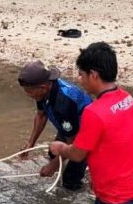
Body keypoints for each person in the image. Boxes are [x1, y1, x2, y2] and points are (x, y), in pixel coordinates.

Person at [49, 42, 133, 204]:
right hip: (129, 185)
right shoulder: (126, 98)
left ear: (94, 75)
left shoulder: (93, 112)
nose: (80, 80)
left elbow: (77, 154)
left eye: (82, 75)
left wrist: (60, 148)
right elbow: (130, 140)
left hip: (118, 197)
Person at [18, 60, 92, 190]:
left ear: (43, 87)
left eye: (29, 92)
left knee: (70, 181)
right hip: (68, 127)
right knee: (53, 154)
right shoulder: (43, 92)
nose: (28, 95)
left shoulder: (64, 103)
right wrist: (31, 144)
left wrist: (51, 167)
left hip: (86, 133)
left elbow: (72, 143)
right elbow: (41, 115)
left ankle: (84, 185)